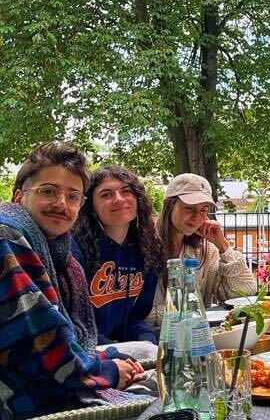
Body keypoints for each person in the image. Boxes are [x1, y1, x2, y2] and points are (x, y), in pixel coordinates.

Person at [0, 142, 142, 419]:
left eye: (73, 196)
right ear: (19, 197)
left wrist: (108, 361)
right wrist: (110, 371)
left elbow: (71, 342)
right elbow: (40, 346)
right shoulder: (7, 236)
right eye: (48, 191)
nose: (61, 204)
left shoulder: (64, 258)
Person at [147, 173, 256, 326]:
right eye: (189, 208)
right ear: (169, 205)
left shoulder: (206, 250)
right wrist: (187, 312)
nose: (197, 217)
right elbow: (134, 313)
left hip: (197, 339)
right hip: (150, 343)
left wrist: (223, 246)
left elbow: (244, 293)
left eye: (203, 210)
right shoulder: (143, 245)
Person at [73, 166, 164, 346]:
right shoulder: (75, 249)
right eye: (106, 195)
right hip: (85, 351)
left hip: (123, 352)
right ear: (91, 206)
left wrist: (145, 339)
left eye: (126, 191)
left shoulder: (148, 250)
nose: (119, 199)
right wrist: (115, 351)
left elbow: (134, 317)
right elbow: (73, 324)